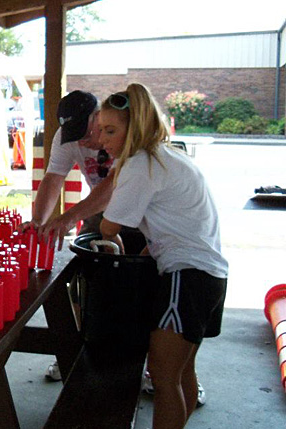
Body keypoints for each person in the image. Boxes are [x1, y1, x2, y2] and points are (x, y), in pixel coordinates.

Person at [98, 83, 227, 428]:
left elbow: (109, 228)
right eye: (100, 131)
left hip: (187, 275)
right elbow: (170, 225)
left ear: (135, 127)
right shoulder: (167, 155)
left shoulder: (141, 164)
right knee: (182, 371)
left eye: (111, 131)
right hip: (210, 276)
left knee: (162, 376)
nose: (103, 140)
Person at [19, 90, 114, 381]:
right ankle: (71, 353)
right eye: (75, 135)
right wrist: (38, 220)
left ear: (98, 115)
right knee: (82, 278)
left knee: (143, 288)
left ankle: (159, 367)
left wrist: (69, 217)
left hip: (145, 211)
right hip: (102, 210)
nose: (82, 142)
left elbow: (115, 186)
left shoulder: (120, 129)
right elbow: (53, 177)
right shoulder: (68, 134)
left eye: (88, 133)